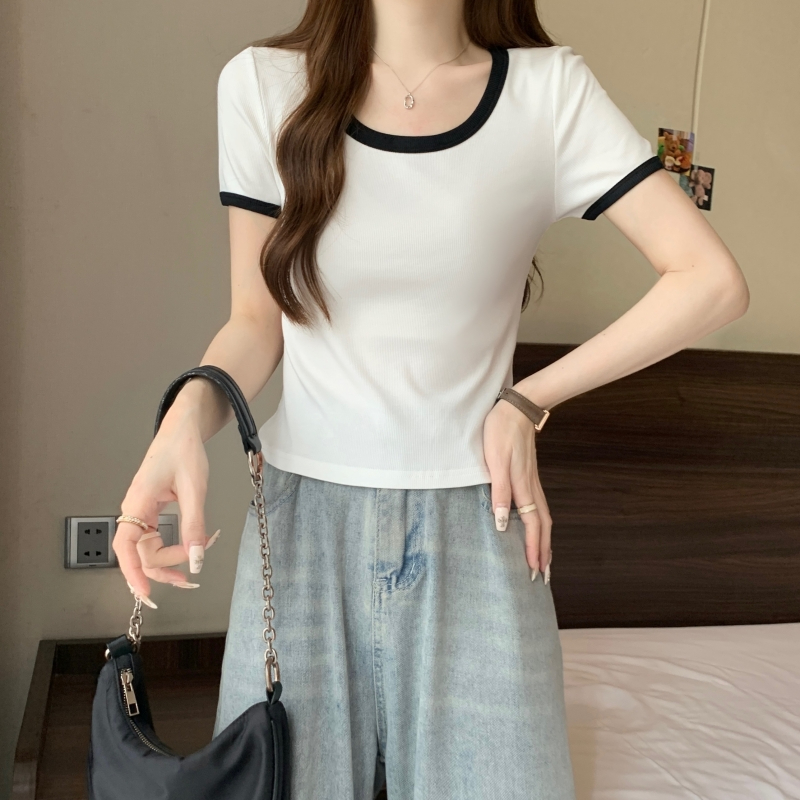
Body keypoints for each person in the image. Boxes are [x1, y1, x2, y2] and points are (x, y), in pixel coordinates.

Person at [112, 0, 750, 797]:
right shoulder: (262, 85)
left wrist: (528, 400)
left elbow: (712, 282)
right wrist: (183, 421)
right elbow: (255, 321)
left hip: (481, 529)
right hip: (305, 529)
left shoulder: (549, 92)